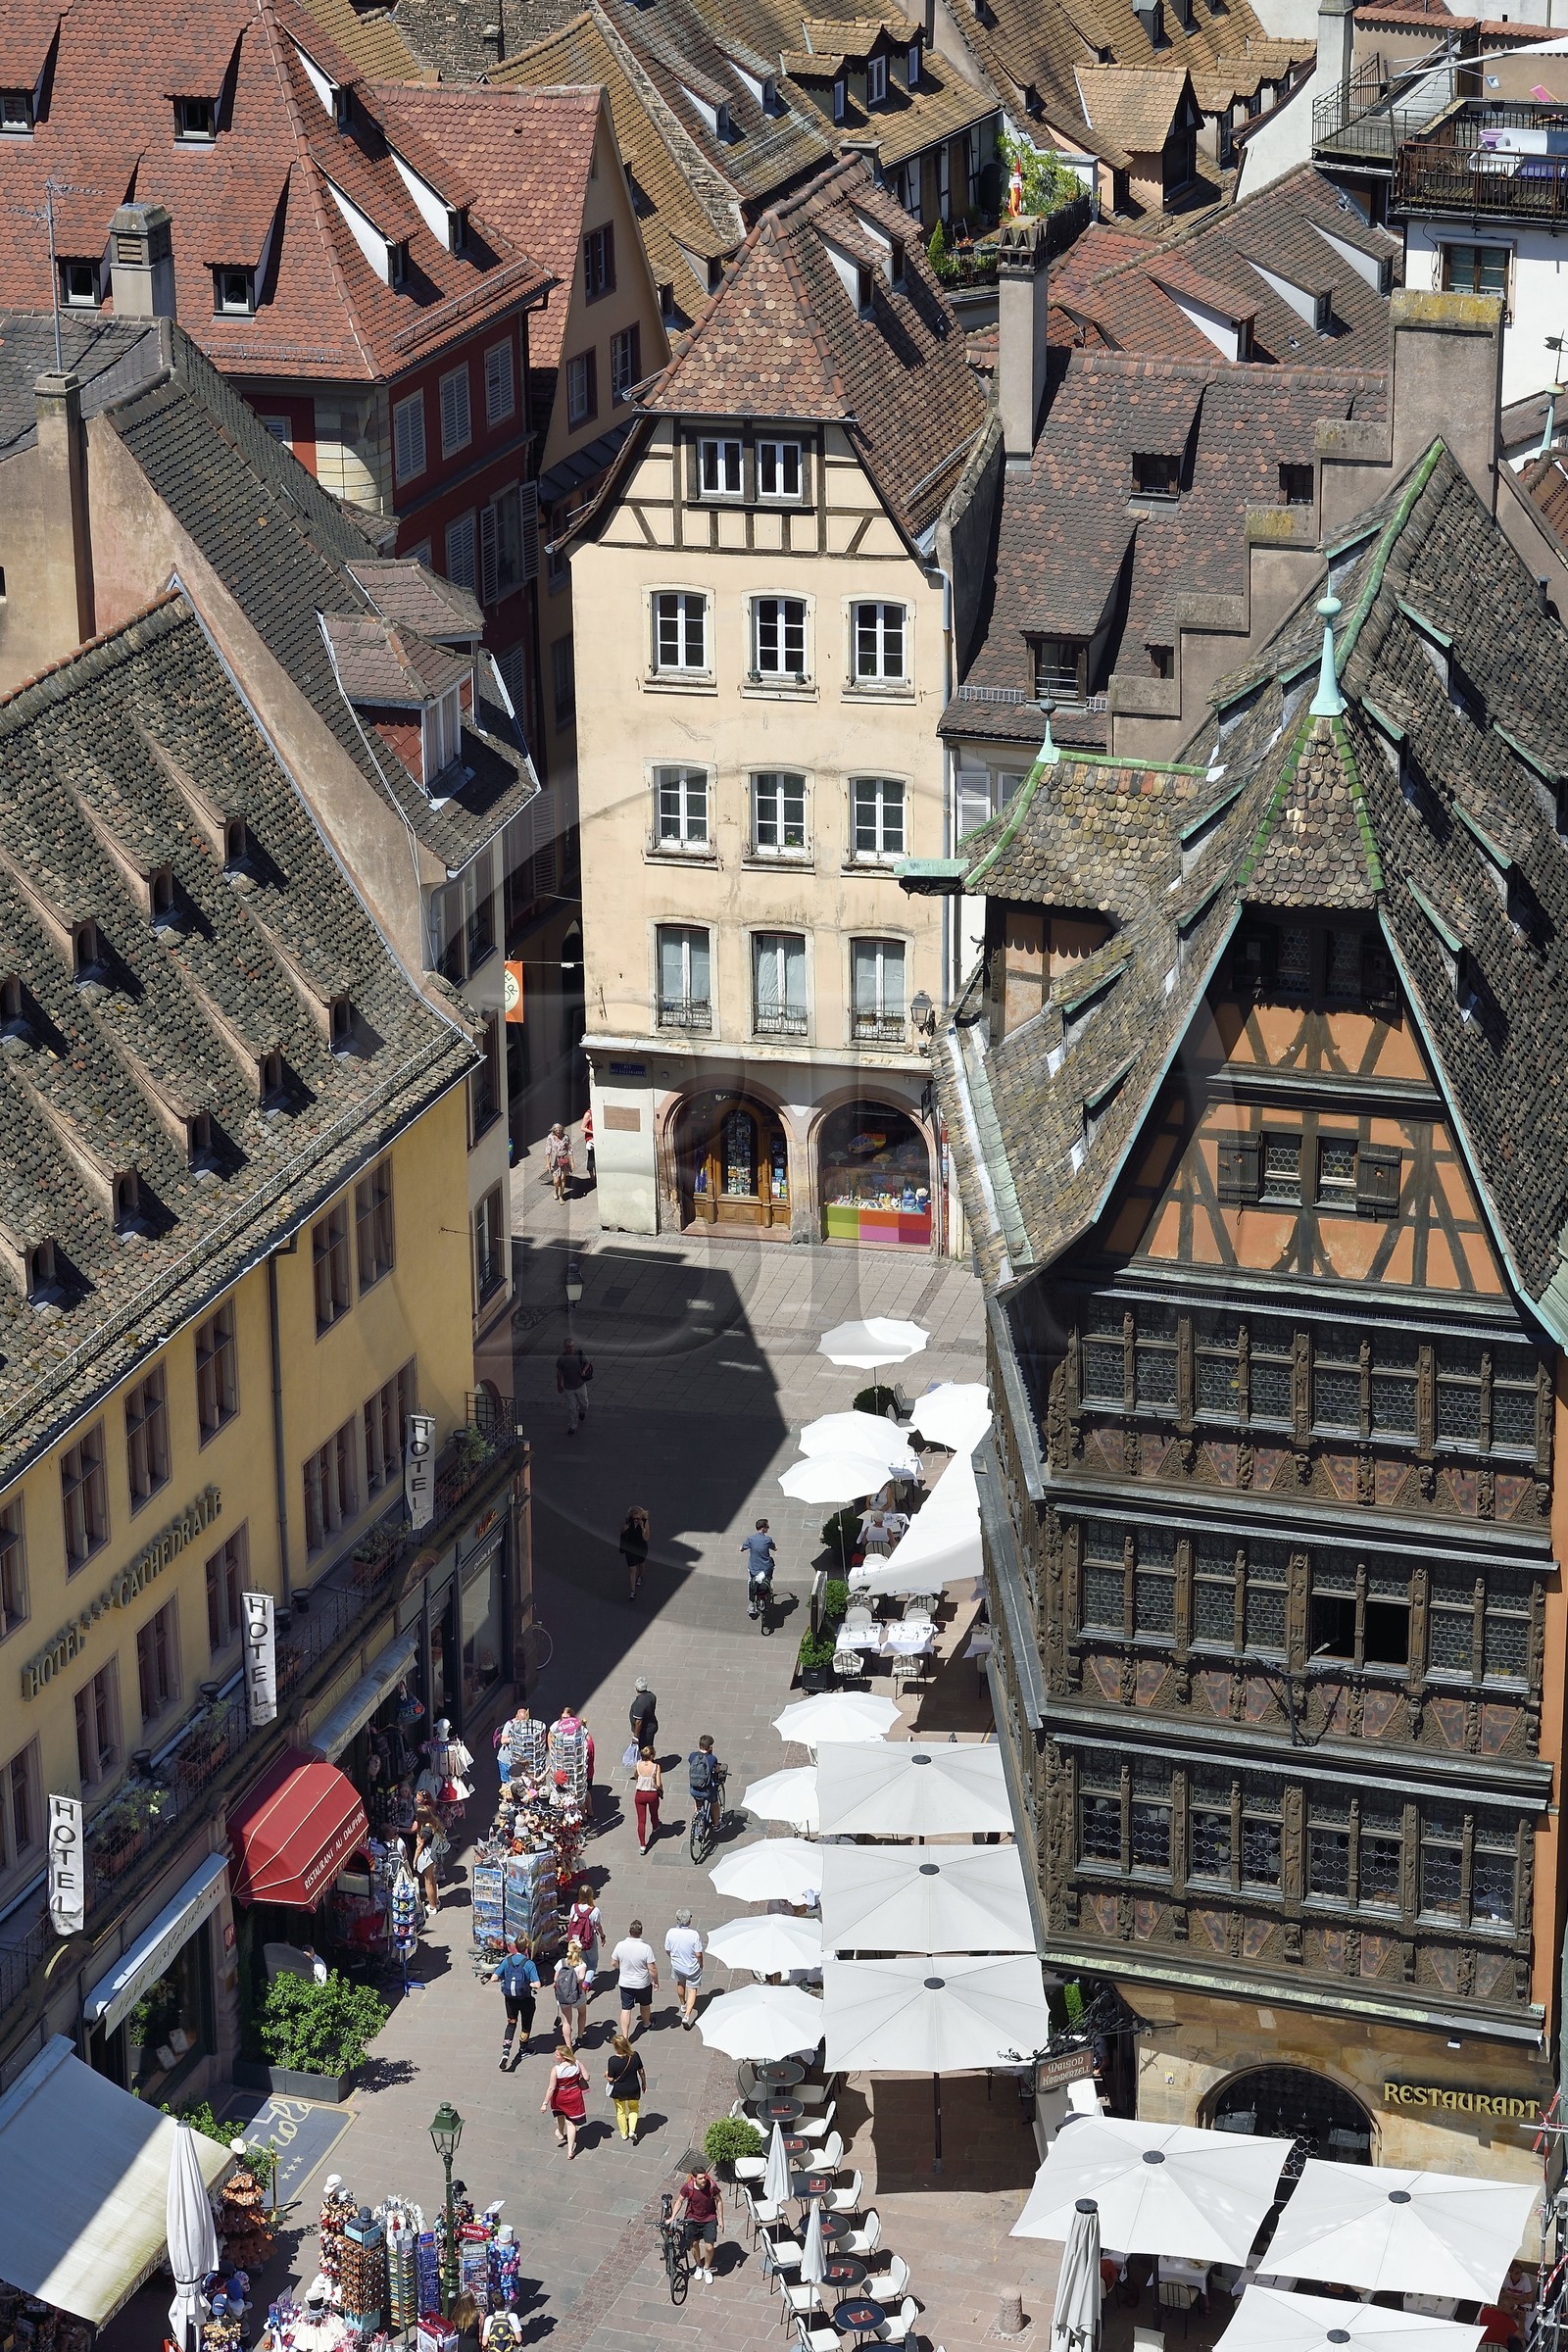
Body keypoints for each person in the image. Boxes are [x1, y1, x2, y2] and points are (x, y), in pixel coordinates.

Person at [487, 1936, 539, 2070]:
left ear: (515, 1947)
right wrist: (528, 1984)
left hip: (510, 2000)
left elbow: (493, 1978)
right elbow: (537, 1984)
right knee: (526, 2025)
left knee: (511, 2023)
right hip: (525, 1999)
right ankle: (523, 2049)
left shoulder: (507, 1961)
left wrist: (506, 1980)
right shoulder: (529, 1964)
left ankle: (506, 2050)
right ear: (527, 1948)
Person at [673, 2165, 724, 2285]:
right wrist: (673, 2217)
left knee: (709, 2247)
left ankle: (706, 2269)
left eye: (704, 2177)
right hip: (692, 2219)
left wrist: (721, 2219)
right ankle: (698, 2266)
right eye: (700, 2178)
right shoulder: (688, 2187)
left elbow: (719, 2201)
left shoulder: (711, 2186)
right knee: (694, 2245)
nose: (704, 2180)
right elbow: (679, 2201)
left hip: (709, 2219)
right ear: (694, 2178)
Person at [611, 1918, 659, 2039]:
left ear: (629, 1931)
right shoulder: (646, 1948)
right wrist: (655, 1981)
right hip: (642, 1983)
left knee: (626, 2008)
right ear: (641, 1932)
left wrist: (621, 1968)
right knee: (645, 2004)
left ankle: (625, 2036)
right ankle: (646, 2023)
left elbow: (613, 1962)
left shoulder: (620, 1945)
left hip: (625, 1982)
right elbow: (652, 1968)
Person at [541, 2043, 588, 2158]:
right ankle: (570, 2151)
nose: (555, 2056)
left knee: (560, 2114)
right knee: (571, 2124)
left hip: (560, 2096)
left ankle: (561, 2133)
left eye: (557, 2055)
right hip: (574, 2095)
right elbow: (587, 2077)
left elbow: (551, 2088)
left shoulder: (556, 2069)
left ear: (564, 2057)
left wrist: (545, 2103)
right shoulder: (577, 2063)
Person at [663, 1909, 705, 2029]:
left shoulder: (671, 1932)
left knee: (680, 1983)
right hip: (692, 1967)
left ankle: (683, 2004)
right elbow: (698, 1954)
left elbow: (667, 1949)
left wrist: (673, 1958)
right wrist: (701, 1964)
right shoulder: (694, 1934)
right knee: (692, 1990)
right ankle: (687, 2016)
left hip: (677, 1965)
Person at [605, 2031, 646, 2144]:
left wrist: (605, 2075)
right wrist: (644, 2083)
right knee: (634, 2109)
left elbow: (611, 2079)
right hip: (633, 2088)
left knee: (620, 2111)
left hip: (619, 2091)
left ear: (615, 2046)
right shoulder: (635, 2055)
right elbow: (641, 2071)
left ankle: (624, 2133)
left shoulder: (612, 2060)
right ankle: (632, 2130)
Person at [553, 1939, 589, 2050]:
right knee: (582, 2013)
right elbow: (581, 1978)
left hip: (563, 1996)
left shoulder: (561, 1962)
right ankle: (580, 2037)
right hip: (577, 1995)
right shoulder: (582, 1965)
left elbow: (555, 1979)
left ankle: (569, 2047)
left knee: (566, 2021)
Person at [565, 1884, 604, 1990]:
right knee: (592, 1964)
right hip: (589, 1941)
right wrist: (602, 1936)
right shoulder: (594, 1910)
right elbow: (598, 1926)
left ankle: (580, 1980)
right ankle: (586, 1984)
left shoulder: (574, 1907)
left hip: (576, 1941)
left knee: (582, 1961)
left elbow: (570, 1923)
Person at [740, 1519, 776, 1619]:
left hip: (754, 1568)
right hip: (765, 1568)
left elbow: (741, 1548)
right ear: (763, 1528)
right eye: (767, 1526)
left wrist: (742, 1548)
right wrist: (774, 1548)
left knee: (750, 1582)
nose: (768, 1528)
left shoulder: (750, 1539)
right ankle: (769, 1584)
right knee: (771, 1568)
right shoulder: (768, 1539)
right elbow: (774, 1547)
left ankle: (751, 1605)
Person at [557, 1338, 592, 1438]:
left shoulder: (580, 1354)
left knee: (584, 1404)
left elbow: (587, 1362)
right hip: (568, 1387)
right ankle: (572, 1426)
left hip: (580, 1384)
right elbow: (559, 1372)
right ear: (565, 1347)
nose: (571, 1348)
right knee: (571, 1408)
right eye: (569, 1347)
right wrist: (558, 1384)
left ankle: (582, 1412)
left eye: (572, 1346)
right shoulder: (562, 1358)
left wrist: (584, 1371)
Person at [633, 1746, 662, 1851]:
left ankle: (642, 1845)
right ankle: (655, 1827)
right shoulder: (656, 1766)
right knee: (653, 1813)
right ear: (651, 1756)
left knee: (641, 1821)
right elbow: (658, 1783)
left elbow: (636, 1776)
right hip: (652, 1795)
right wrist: (661, 1790)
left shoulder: (638, 1765)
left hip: (639, 1795)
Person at [619, 1505, 651, 1601]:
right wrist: (624, 1528)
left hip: (641, 1548)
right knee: (632, 1569)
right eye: (635, 1518)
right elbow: (622, 1531)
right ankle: (633, 1591)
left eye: (638, 1517)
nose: (637, 1519)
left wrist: (642, 1527)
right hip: (630, 1548)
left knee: (641, 1564)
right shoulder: (628, 1521)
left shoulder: (645, 1521)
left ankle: (640, 1576)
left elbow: (646, 1538)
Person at [546, 1121, 573, 1201]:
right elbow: (548, 1150)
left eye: (560, 1130)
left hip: (564, 1159)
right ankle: (556, 1190)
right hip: (555, 1160)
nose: (558, 1132)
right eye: (556, 1130)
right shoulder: (550, 1137)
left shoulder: (566, 1137)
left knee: (563, 1178)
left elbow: (570, 1149)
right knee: (556, 1181)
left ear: (562, 1130)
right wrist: (547, 1163)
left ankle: (561, 1196)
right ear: (554, 1130)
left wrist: (572, 1161)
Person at [628, 1677, 658, 1749]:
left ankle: (648, 1756)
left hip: (644, 1731)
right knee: (648, 1746)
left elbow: (639, 1721)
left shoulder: (639, 1703)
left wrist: (636, 1736)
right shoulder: (651, 1696)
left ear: (636, 1688)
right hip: (651, 1726)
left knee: (644, 1750)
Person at [582, 1106, 596, 1182]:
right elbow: (582, 1128)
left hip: (597, 1138)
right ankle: (591, 1175)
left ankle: (597, 1176)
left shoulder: (597, 1111)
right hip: (590, 1139)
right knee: (591, 1157)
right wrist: (593, 1132)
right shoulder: (588, 1114)